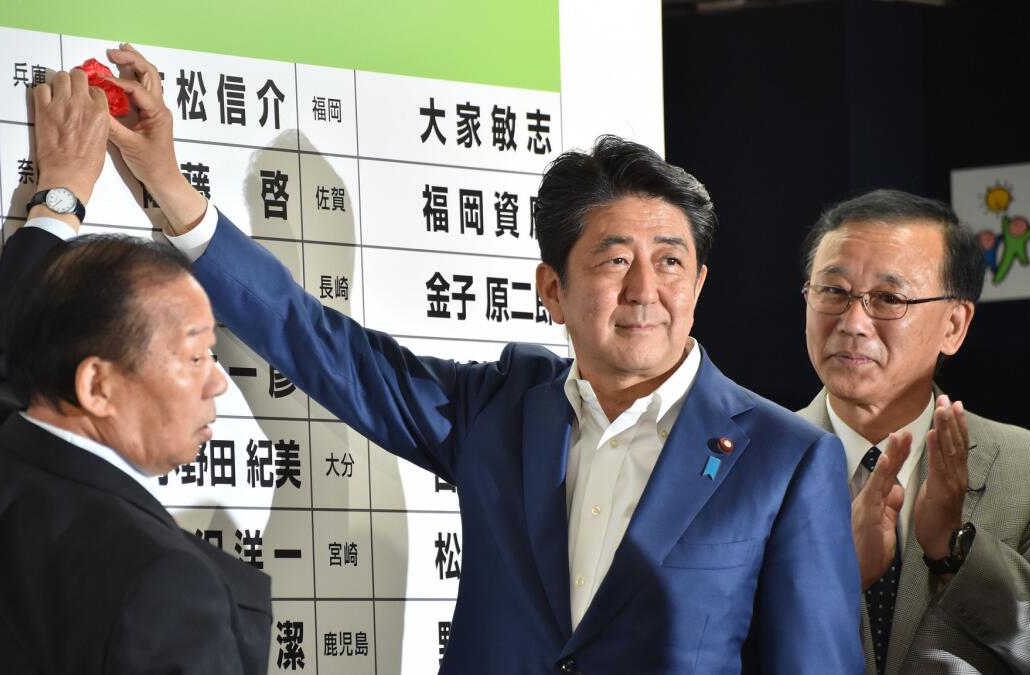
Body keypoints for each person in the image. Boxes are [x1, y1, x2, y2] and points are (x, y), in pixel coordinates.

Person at [102, 44, 863, 674]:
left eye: (670, 263)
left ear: (698, 283)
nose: (644, 290)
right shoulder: (501, 408)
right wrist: (170, 186)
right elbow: (322, 345)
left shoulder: (785, 459)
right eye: (613, 260)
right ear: (552, 291)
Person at [0, 67, 271, 673]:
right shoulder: (163, 589)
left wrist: (58, 199)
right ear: (97, 385)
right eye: (194, 355)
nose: (218, 381)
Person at [797, 188, 1030, 674]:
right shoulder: (748, 464)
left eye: (888, 298)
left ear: (954, 324)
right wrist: (838, 576)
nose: (853, 323)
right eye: (834, 292)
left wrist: (956, 549)